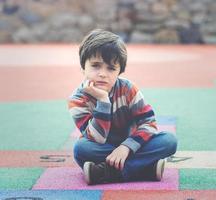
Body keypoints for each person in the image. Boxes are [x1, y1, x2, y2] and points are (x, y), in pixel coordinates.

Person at [68, 29, 177, 185]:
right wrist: (103, 101)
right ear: (83, 67)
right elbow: (96, 138)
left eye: (111, 68)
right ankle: (145, 169)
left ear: (119, 71)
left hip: (134, 145)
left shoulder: (128, 89)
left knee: (169, 141)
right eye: (96, 66)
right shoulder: (78, 99)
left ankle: (105, 173)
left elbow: (149, 124)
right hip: (101, 148)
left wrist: (126, 147)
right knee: (81, 149)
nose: (102, 74)